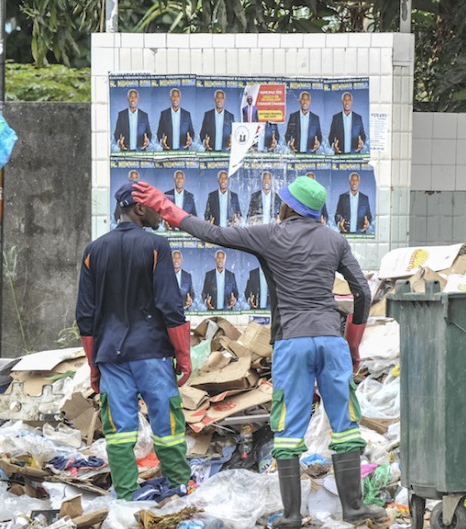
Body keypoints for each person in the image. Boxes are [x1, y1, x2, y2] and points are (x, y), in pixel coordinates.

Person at [133, 177, 386, 529]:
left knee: (288, 428)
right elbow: (361, 291)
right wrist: (352, 344)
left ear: (288, 207)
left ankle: (293, 516)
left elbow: (210, 232)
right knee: (344, 426)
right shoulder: (335, 239)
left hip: (292, 343)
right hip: (331, 340)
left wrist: (163, 205)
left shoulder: (272, 234)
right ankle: (355, 509)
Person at [75, 182, 193, 501]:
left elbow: (85, 316)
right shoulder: (156, 246)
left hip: (110, 355)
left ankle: (127, 492)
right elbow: (170, 305)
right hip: (152, 353)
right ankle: (179, 484)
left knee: (119, 430)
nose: (160, 211)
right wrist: (183, 354)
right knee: (166, 424)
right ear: (140, 209)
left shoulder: (94, 251)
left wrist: (93, 365)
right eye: (157, 206)